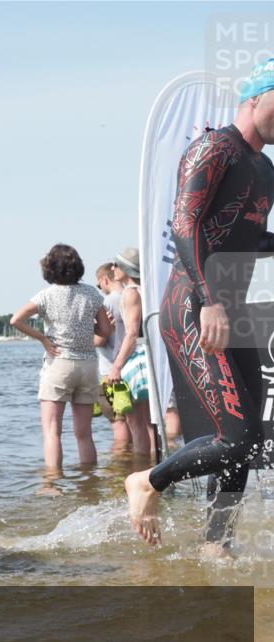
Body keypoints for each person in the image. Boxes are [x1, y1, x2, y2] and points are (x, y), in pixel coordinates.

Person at [125, 58, 274, 554]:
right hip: (194, 307)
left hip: (230, 311)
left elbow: (246, 238)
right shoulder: (215, 147)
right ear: (256, 96)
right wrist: (208, 302)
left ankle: (216, 543)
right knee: (236, 437)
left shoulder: (265, 169)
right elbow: (184, 227)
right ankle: (147, 480)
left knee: (246, 441)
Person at [10, 244, 112, 469]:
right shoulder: (92, 294)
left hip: (59, 363)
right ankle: (89, 483)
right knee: (84, 434)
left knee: (52, 431)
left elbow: (16, 320)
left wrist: (43, 339)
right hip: (88, 365)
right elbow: (105, 331)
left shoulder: (45, 296)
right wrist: (85, 327)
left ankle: (53, 483)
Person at [105, 248, 154, 457]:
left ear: (126, 268)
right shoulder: (147, 289)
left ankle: (142, 467)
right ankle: (155, 464)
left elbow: (132, 333)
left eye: (116, 264)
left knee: (136, 421)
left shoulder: (131, 292)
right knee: (151, 421)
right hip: (150, 355)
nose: (112, 268)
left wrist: (116, 366)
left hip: (138, 358)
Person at [94, 262, 132, 450]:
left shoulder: (106, 303)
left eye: (98, 284)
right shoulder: (131, 296)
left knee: (118, 421)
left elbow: (100, 339)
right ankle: (137, 460)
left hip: (110, 370)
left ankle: (120, 461)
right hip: (131, 366)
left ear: (104, 280)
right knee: (136, 421)